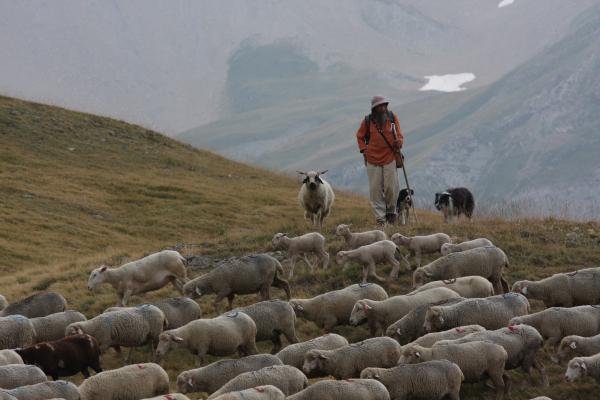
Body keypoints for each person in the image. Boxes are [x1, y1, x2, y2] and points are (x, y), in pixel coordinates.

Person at [356, 95, 403, 226]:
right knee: (375, 190)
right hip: (372, 160)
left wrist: (400, 142)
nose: (382, 108)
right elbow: (360, 136)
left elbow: (399, 135)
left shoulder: (392, 118)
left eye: (384, 105)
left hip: (390, 157)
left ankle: (391, 214)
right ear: (374, 108)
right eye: (379, 106)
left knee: (391, 188)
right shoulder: (367, 121)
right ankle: (380, 219)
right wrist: (364, 150)